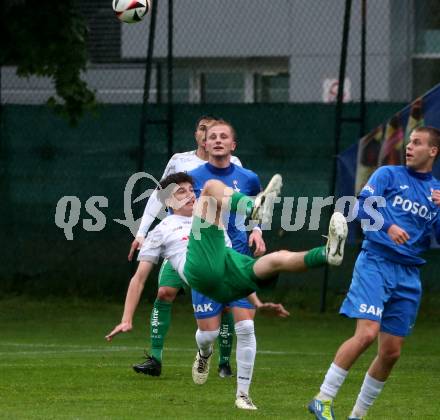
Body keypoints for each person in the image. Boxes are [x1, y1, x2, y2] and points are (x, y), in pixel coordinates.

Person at [308, 126, 440, 420]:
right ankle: (323, 398)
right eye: (409, 141)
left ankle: (357, 415)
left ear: (433, 151)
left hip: (409, 274)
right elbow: (362, 207)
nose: (409, 146)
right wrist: (388, 226)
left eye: (417, 143)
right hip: (376, 262)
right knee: (366, 333)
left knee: (391, 352)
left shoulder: (436, 192)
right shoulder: (388, 175)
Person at [128, 115, 241, 377]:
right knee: (164, 292)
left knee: (225, 303)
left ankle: (224, 361)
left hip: (212, 240)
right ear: (196, 134)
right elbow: (161, 194)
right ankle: (155, 359)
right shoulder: (180, 160)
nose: (208, 134)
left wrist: (255, 229)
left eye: (214, 131)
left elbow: (240, 197)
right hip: (177, 240)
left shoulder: (233, 164)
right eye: (203, 129)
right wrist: (142, 231)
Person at [188, 120, 288, 410]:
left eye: (224, 137)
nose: (218, 140)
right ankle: (204, 354)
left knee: (245, 329)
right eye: (212, 137)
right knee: (207, 334)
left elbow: (259, 211)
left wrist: (257, 230)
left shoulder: (249, 178)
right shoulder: (194, 177)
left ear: (233, 145)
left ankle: (243, 394)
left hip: (239, 258)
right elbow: (179, 209)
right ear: (204, 144)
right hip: (209, 258)